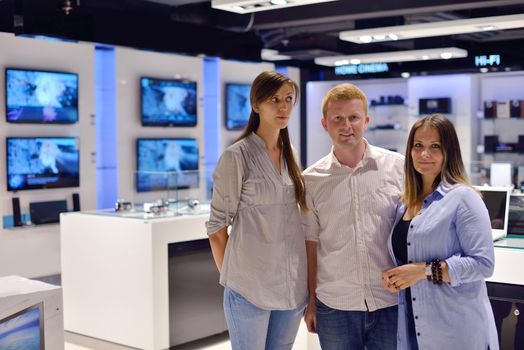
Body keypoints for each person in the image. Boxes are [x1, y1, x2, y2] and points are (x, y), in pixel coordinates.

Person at [206, 71, 307, 350]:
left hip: (290, 287)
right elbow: (216, 228)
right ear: (256, 105)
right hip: (249, 288)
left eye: (288, 99)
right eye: (274, 99)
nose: (283, 107)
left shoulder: (290, 153)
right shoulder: (236, 156)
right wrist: (234, 279)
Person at [382, 114, 498, 350]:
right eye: (418, 146)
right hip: (413, 327)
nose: (425, 154)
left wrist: (423, 271)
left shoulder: (463, 198)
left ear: (449, 151)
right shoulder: (403, 204)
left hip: (455, 330)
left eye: (435, 146)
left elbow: (483, 264)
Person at [303, 83, 404, 349]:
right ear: (325, 124)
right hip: (335, 305)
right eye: (337, 118)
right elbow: (310, 244)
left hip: (390, 301)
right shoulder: (311, 180)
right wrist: (310, 302)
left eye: (353, 117)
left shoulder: (398, 167)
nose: (346, 125)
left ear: (366, 121)